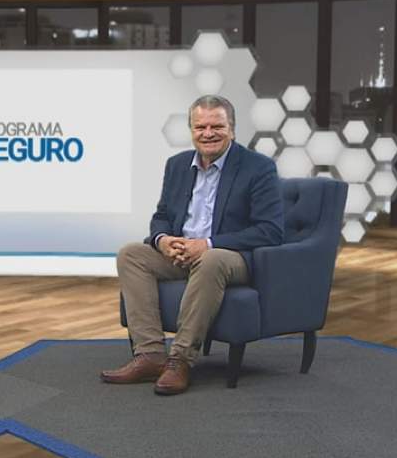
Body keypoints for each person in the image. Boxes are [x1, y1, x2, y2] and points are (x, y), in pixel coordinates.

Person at [101, 95, 284, 395]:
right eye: (200, 127)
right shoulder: (177, 165)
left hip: (231, 257)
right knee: (131, 254)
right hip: (183, 253)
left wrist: (209, 244)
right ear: (191, 130)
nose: (208, 133)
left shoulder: (258, 168)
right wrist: (162, 240)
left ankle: (181, 360)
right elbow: (162, 215)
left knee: (211, 259)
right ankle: (150, 355)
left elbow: (270, 231)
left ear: (232, 129)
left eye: (217, 126)